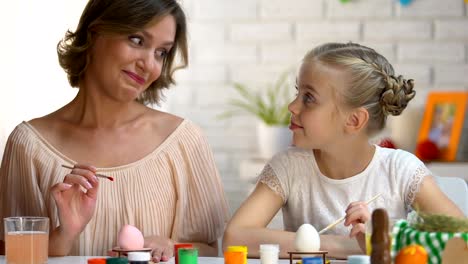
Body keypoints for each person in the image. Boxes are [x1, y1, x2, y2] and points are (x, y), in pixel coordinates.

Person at [0, 0, 229, 262]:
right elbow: (8, 254)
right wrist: (65, 235)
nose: (150, 65)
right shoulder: (29, 146)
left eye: (161, 52)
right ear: (94, 34)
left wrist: (172, 245)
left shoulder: (183, 141)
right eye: (137, 40)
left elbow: (214, 251)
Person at [223, 42, 464, 259]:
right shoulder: (289, 167)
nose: (292, 106)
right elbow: (235, 238)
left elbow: (461, 240)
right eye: (298, 92)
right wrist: (352, 246)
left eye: (309, 98)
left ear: (354, 121)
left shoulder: (400, 170)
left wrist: (384, 234)